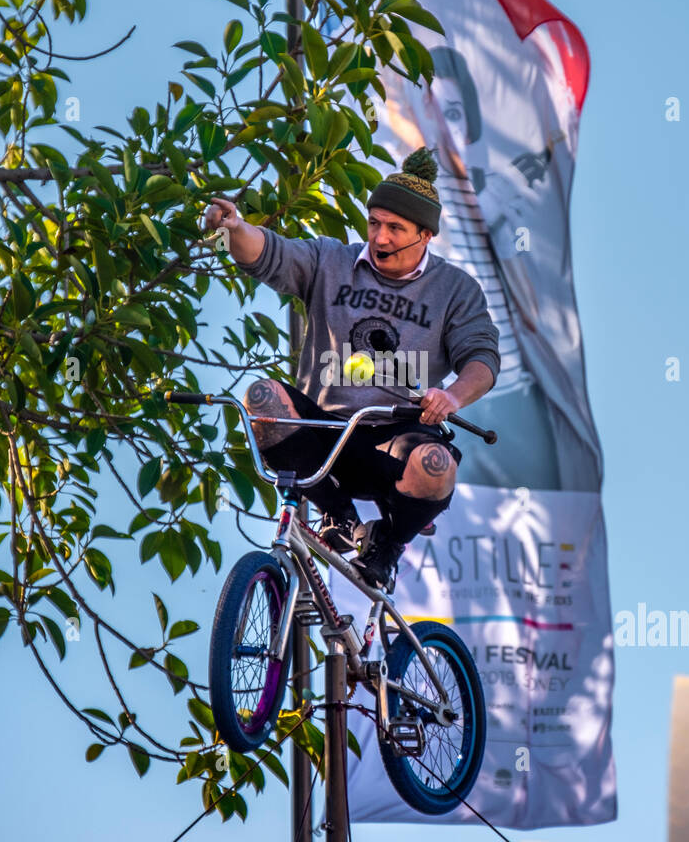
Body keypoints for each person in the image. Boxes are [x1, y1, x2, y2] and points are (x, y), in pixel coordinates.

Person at [202, 148, 501, 589]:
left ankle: (388, 546)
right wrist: (234, 229)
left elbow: (482, 359)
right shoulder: (332, 261)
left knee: (437, 463)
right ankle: (339, 518)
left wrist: (452, 396)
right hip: (325, 432)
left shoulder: (455, 289)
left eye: (395, 229)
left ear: (426, 234)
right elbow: (269, 254)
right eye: (375, 223)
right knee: (262, 399)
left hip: (395, 439)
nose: (380, 238)